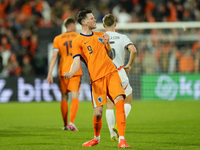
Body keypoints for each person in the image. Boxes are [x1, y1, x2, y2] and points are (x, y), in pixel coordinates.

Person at [64, 8, 130, 148]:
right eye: (92, 18)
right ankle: (96, 138)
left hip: (111, 73)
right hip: (97, 79)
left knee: (120, 102)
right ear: (84, 22)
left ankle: (122, 140)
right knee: (98, 113)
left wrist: (107, 44)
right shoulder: (77, 41)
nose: (95, 20)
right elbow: (76, 62)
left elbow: (111, 56)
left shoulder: (101, 35)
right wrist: (70, 73)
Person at [102, 14, 137, 141]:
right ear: (115, 24)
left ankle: (112, 133)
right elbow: (133, 50)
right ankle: (118, 125)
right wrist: (129, 65)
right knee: (128, 101)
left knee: (110, 105)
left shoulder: (100, 38)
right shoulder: (122, 37)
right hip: (119, 72)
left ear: (103, 25)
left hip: (106, 74)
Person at [46, 18, 83, 131]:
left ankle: (66, 125)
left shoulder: (58, 38)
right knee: (75, 96)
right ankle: (72, 122)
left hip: (63, 71)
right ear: (72, 25)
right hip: (75, 71)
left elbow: (54, 57)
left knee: (64, 97)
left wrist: (49, 73)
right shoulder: (78, 36)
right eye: (75, 25)